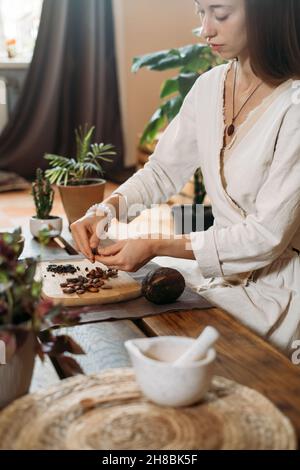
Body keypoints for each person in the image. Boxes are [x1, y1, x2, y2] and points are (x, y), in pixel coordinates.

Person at [71, 0, 300, 354]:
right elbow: (163, 169)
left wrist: (157, 244)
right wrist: (106, 210)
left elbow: (265, 237)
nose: (206, 29)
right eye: (200, 13)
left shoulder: (294, 106)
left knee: (165, 348)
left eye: (220, 14)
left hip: (279, 290)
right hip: (219, 274)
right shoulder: (209, 86)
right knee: (118, 322)